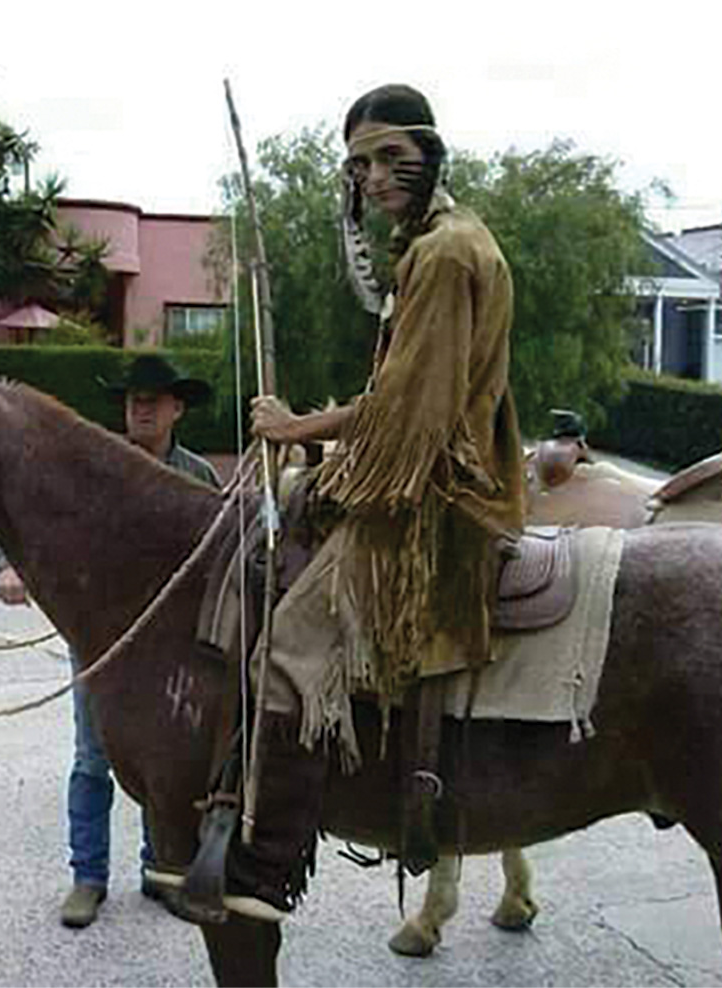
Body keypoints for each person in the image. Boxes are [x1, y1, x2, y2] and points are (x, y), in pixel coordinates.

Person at [193, 83, 526, 919]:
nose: (373, 178)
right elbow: (401, 392)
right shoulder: (438, 243)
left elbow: (411, 410)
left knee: (290, 652)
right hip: (430, 467)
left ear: (428, 154)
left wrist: (297, 426)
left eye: (390, 158)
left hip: (435, 498)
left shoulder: (445, 254)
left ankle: (266, 868)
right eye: (359, 166)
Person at [0, 354, 220, 928]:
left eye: (152, 399)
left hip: (169, 647)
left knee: (163, 759)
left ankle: (158, 870)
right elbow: (24, 508)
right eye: (132, 399)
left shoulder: (198, 476)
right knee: (93, 758)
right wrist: (9, 563)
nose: (140, 408)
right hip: (101, 642)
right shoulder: (94, 465)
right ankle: (88, 878)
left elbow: (223, 547)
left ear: (177, 408)